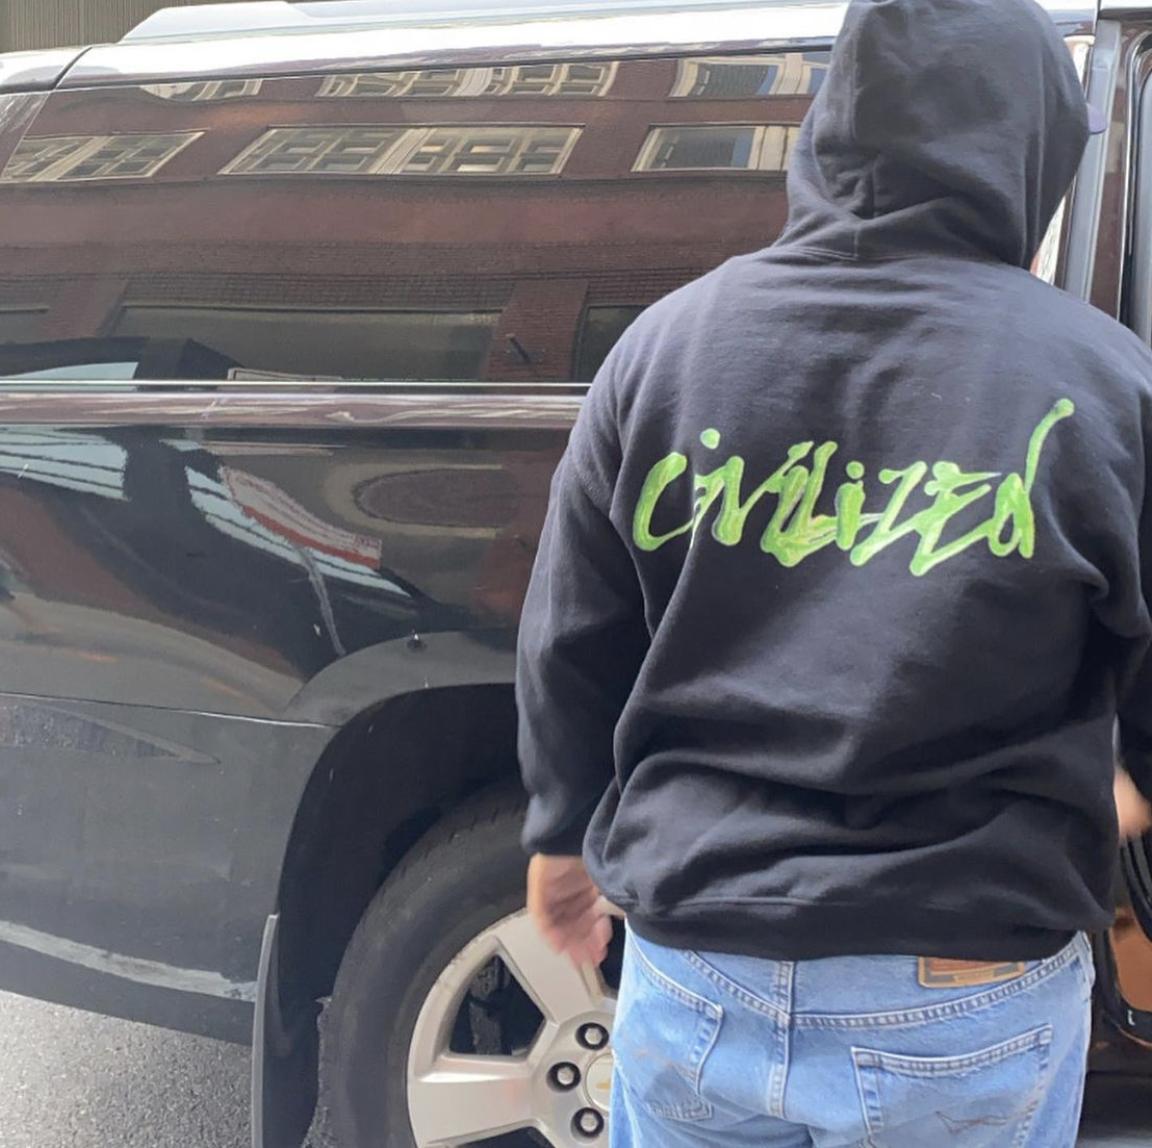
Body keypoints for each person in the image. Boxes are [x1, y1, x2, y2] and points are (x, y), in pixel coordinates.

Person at [516, 0, 1152, 1144]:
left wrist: (562, 835)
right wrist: (1125, 786)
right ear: (1035, 148)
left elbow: (571, 634)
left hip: (699, 958)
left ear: (832, 126)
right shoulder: (1107, 385)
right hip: (965, 978)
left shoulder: (665, 347)